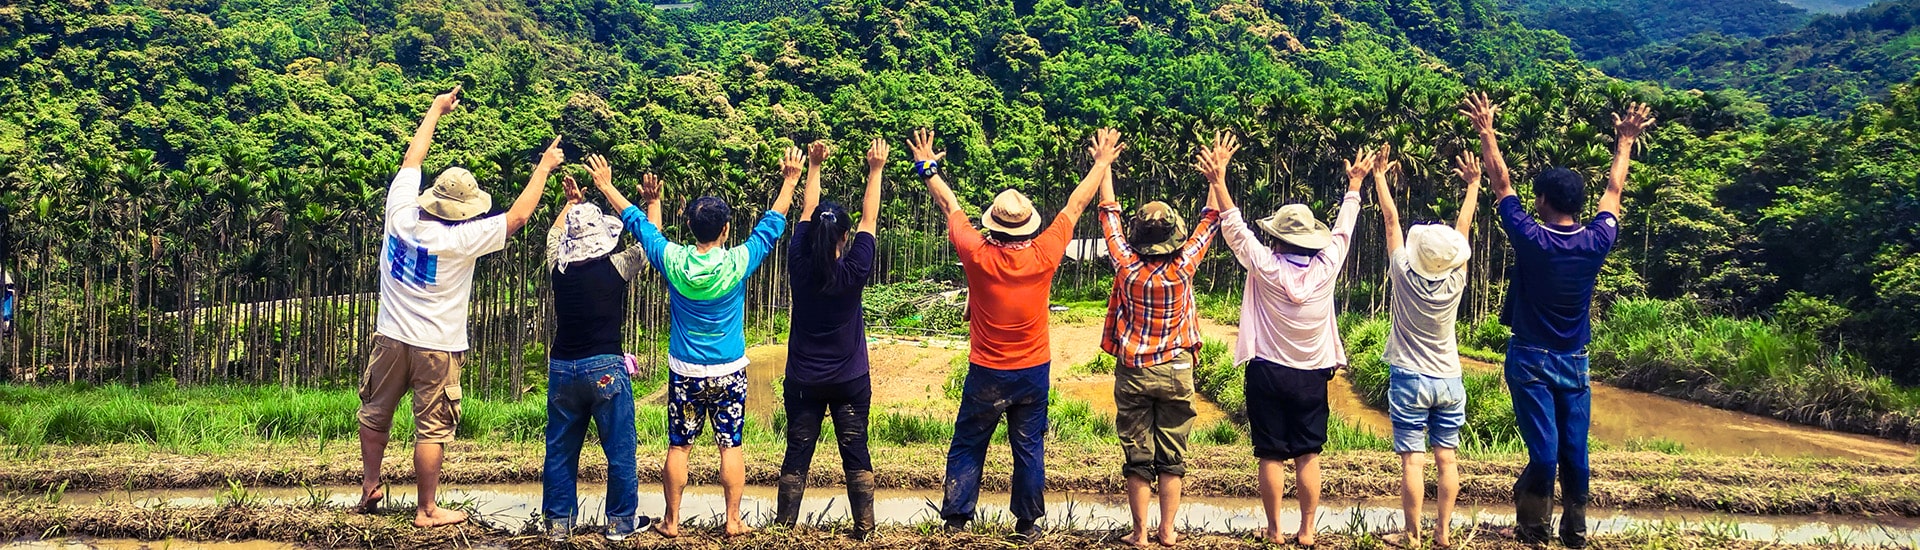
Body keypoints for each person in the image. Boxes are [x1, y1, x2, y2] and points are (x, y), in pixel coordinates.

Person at [356, 85, 557, 528]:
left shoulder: (400, 213)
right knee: (431, 426)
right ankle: (426, 510)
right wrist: (544, 167)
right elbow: (518, 217)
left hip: (389, 338)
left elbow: (412, 160)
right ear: (464, 210)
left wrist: (435, 109)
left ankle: (371, 485)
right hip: (438, 347)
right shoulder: (462, 239)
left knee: (375, 411)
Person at [1463, 92, 1655, 549]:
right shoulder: (1597, 239)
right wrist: (1624, 141)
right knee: (1565, 452)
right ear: (1577, 203)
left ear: (1543, 199)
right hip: (1571, 361)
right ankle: (1554, 529)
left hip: (1535, 359)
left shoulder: (1532, 237)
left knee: (1559, 453)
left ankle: (1552, 528)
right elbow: (1615, 190)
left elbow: (1501, 183)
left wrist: (1487, 131)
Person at [913, 127, 1117, 537]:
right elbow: (1076, 205)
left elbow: (948, 202)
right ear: (1028, 226)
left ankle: (956, 520)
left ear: (994, 225)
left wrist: (927, 165)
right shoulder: (1044, 253)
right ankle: (1026, 525)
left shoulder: (975, 252)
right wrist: (1101, 164)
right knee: (1028, 446)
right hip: (1032, 372)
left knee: (970, 441)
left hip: (986, 371)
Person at [592, 146, 800, 538]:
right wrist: (790, 180)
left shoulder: (673, 260)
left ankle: (671, 521)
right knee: (730, 445)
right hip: (728, 370)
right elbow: (772, 225)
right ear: (725, 231)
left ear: (690, 228)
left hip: (685, 370)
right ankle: (733, 520)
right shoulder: (738, 261)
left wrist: (606, 185)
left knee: (680, 446)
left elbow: (638, 224)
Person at [1216, 142, 1376, 547]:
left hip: (1267, 370)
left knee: (1269, 454)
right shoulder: (1326, 267)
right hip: (1310, 376)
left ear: (1277, 240)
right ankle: (1307, 530)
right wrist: (1355, 184)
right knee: (1308, 454)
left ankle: (1274, 530)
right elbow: (1343, 229)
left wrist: (1219, 180)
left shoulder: (1265, 265)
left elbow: (1234, 227)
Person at [1095, 131, 1229, 547]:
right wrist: (1215, 173)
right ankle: (1168, 532)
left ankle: (1139, 534)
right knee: (1172, 457)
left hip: (1134, 368)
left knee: (1138, 457)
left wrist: (1105, 165)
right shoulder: (1184, 266)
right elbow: (1211, 219)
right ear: (1173, 234)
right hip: (1176, 369)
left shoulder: (1126, 267)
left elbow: (1108, 215)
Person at [774, 138, 888, 539]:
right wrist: (875, 170)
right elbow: (869, 221)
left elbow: (806, 210)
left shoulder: (798, 265)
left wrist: (815, 167)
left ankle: (784, 529)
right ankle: (865, 529)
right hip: (850, 380)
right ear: (844, 238)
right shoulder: (854, 269)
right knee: (855, 450)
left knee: (798, 451)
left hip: (803, 380)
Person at [1372, 145, 1483, 550]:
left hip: (1409, 375)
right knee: (1447, 459)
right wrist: (1473, 186)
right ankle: (1444, 533)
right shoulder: (1456, 281)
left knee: (1412, 460)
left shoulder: (1403, 273)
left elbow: (1391, 220)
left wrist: (1380, 176)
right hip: (1449, 377)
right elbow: (1464, 229)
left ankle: (1413, 535)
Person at [539, 164, 654, 543]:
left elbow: (555, 233)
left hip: (562, 369)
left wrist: (572, 204)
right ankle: (621, 522)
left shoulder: (559, 268)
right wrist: (652, 202)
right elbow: (650, 243)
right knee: (619, 448)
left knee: (559, 449)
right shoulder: (615, 267)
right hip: (605, 367)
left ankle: (558, 525)